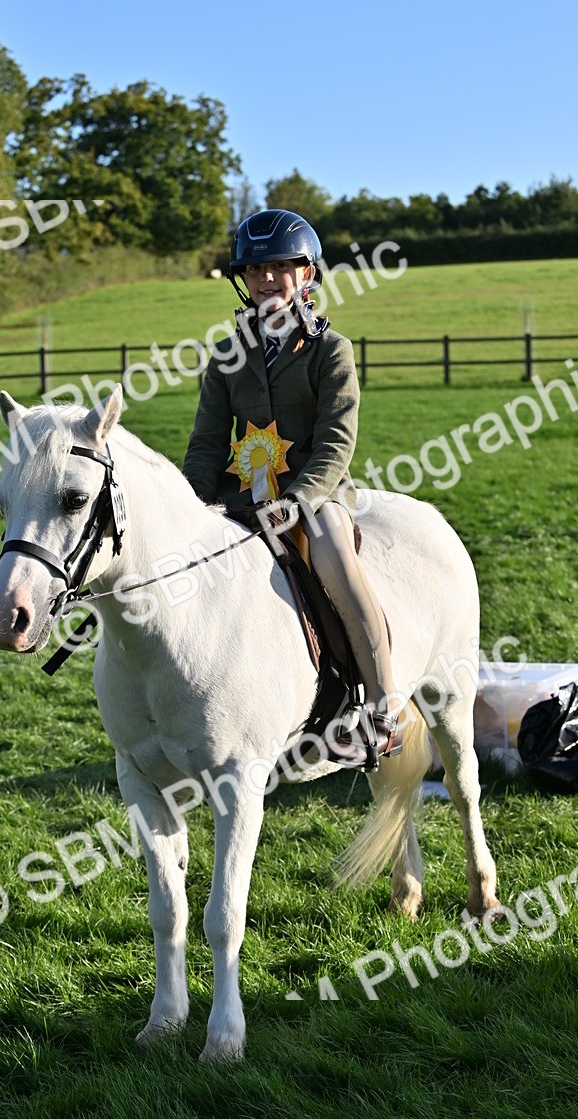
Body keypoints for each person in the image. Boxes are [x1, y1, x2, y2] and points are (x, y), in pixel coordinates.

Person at [182, 208, 401, 767]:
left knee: (333, 561)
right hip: (241, 498)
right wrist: (192, 507)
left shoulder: (332, 351)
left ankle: (379, 709)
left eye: (281, 267)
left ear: (307, 275)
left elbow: (336, 442)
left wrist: (297, 501)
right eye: (256, 271)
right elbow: (207, 443)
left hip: (317, 497)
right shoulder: (227, 359)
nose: (267, 279)